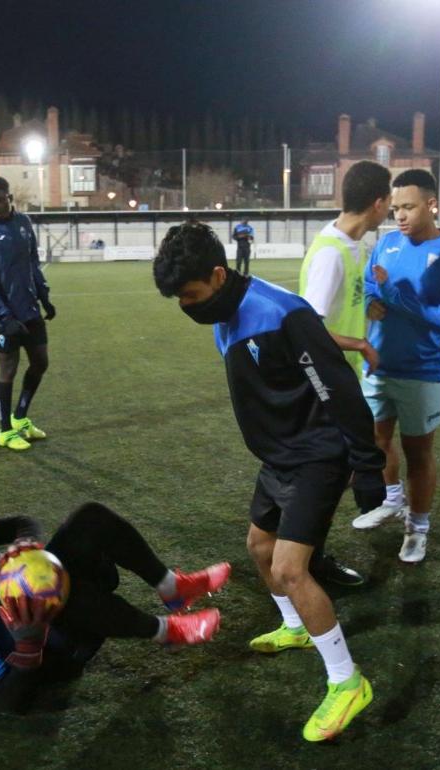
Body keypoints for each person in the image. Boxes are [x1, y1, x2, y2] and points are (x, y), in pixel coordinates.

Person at [152, 222, 385, 742]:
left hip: (317, 456)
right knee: (258, 547)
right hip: (279, 459)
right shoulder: (224, 315)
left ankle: (348, 683)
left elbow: (340, 387)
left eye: (190, 295)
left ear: (218, 275)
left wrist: (367, 467)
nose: (187, 306)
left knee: (291, 568)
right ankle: (298, 627)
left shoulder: (282, 313)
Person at [0, 502, 228, 712]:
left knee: (90, 518)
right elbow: (8, 700)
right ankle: (165, 632)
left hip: (56, 614)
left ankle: (172, 587)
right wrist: (28, 643)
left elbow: (22, 522)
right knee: (64, 597)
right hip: (48, 657)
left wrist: (25, 541)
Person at [352, 169, 440, 566]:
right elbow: (371, 285)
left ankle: (417, 527)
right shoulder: (385, 244)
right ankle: (391, 501)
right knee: (376, 441)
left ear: (431, 205)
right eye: (397, 207)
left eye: (409, 207)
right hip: (378, 363)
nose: (399, 215)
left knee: (418, 453)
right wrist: (372, 300)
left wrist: (399, 299)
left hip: (422, 370)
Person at [298, 160, 394, 587]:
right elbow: (309, 330)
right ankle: (308, 562)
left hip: (341, 380)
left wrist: (370, 306)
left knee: (333, 476)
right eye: (390, 201)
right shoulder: (330, 255)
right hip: (322, 385)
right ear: (378, 203)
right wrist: (361, 343)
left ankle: (311, 556)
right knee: (322, 477)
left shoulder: (354, 247)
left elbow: (348, 305)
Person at [0, 176, 55, 452]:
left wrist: (44, 297)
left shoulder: (23, 223)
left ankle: (20, 417)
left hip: (30, 310)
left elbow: (33, 263)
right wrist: (3, 317)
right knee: (8, 369)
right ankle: (5, 431)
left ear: (10, 198)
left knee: (40, 362)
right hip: (4, 318)